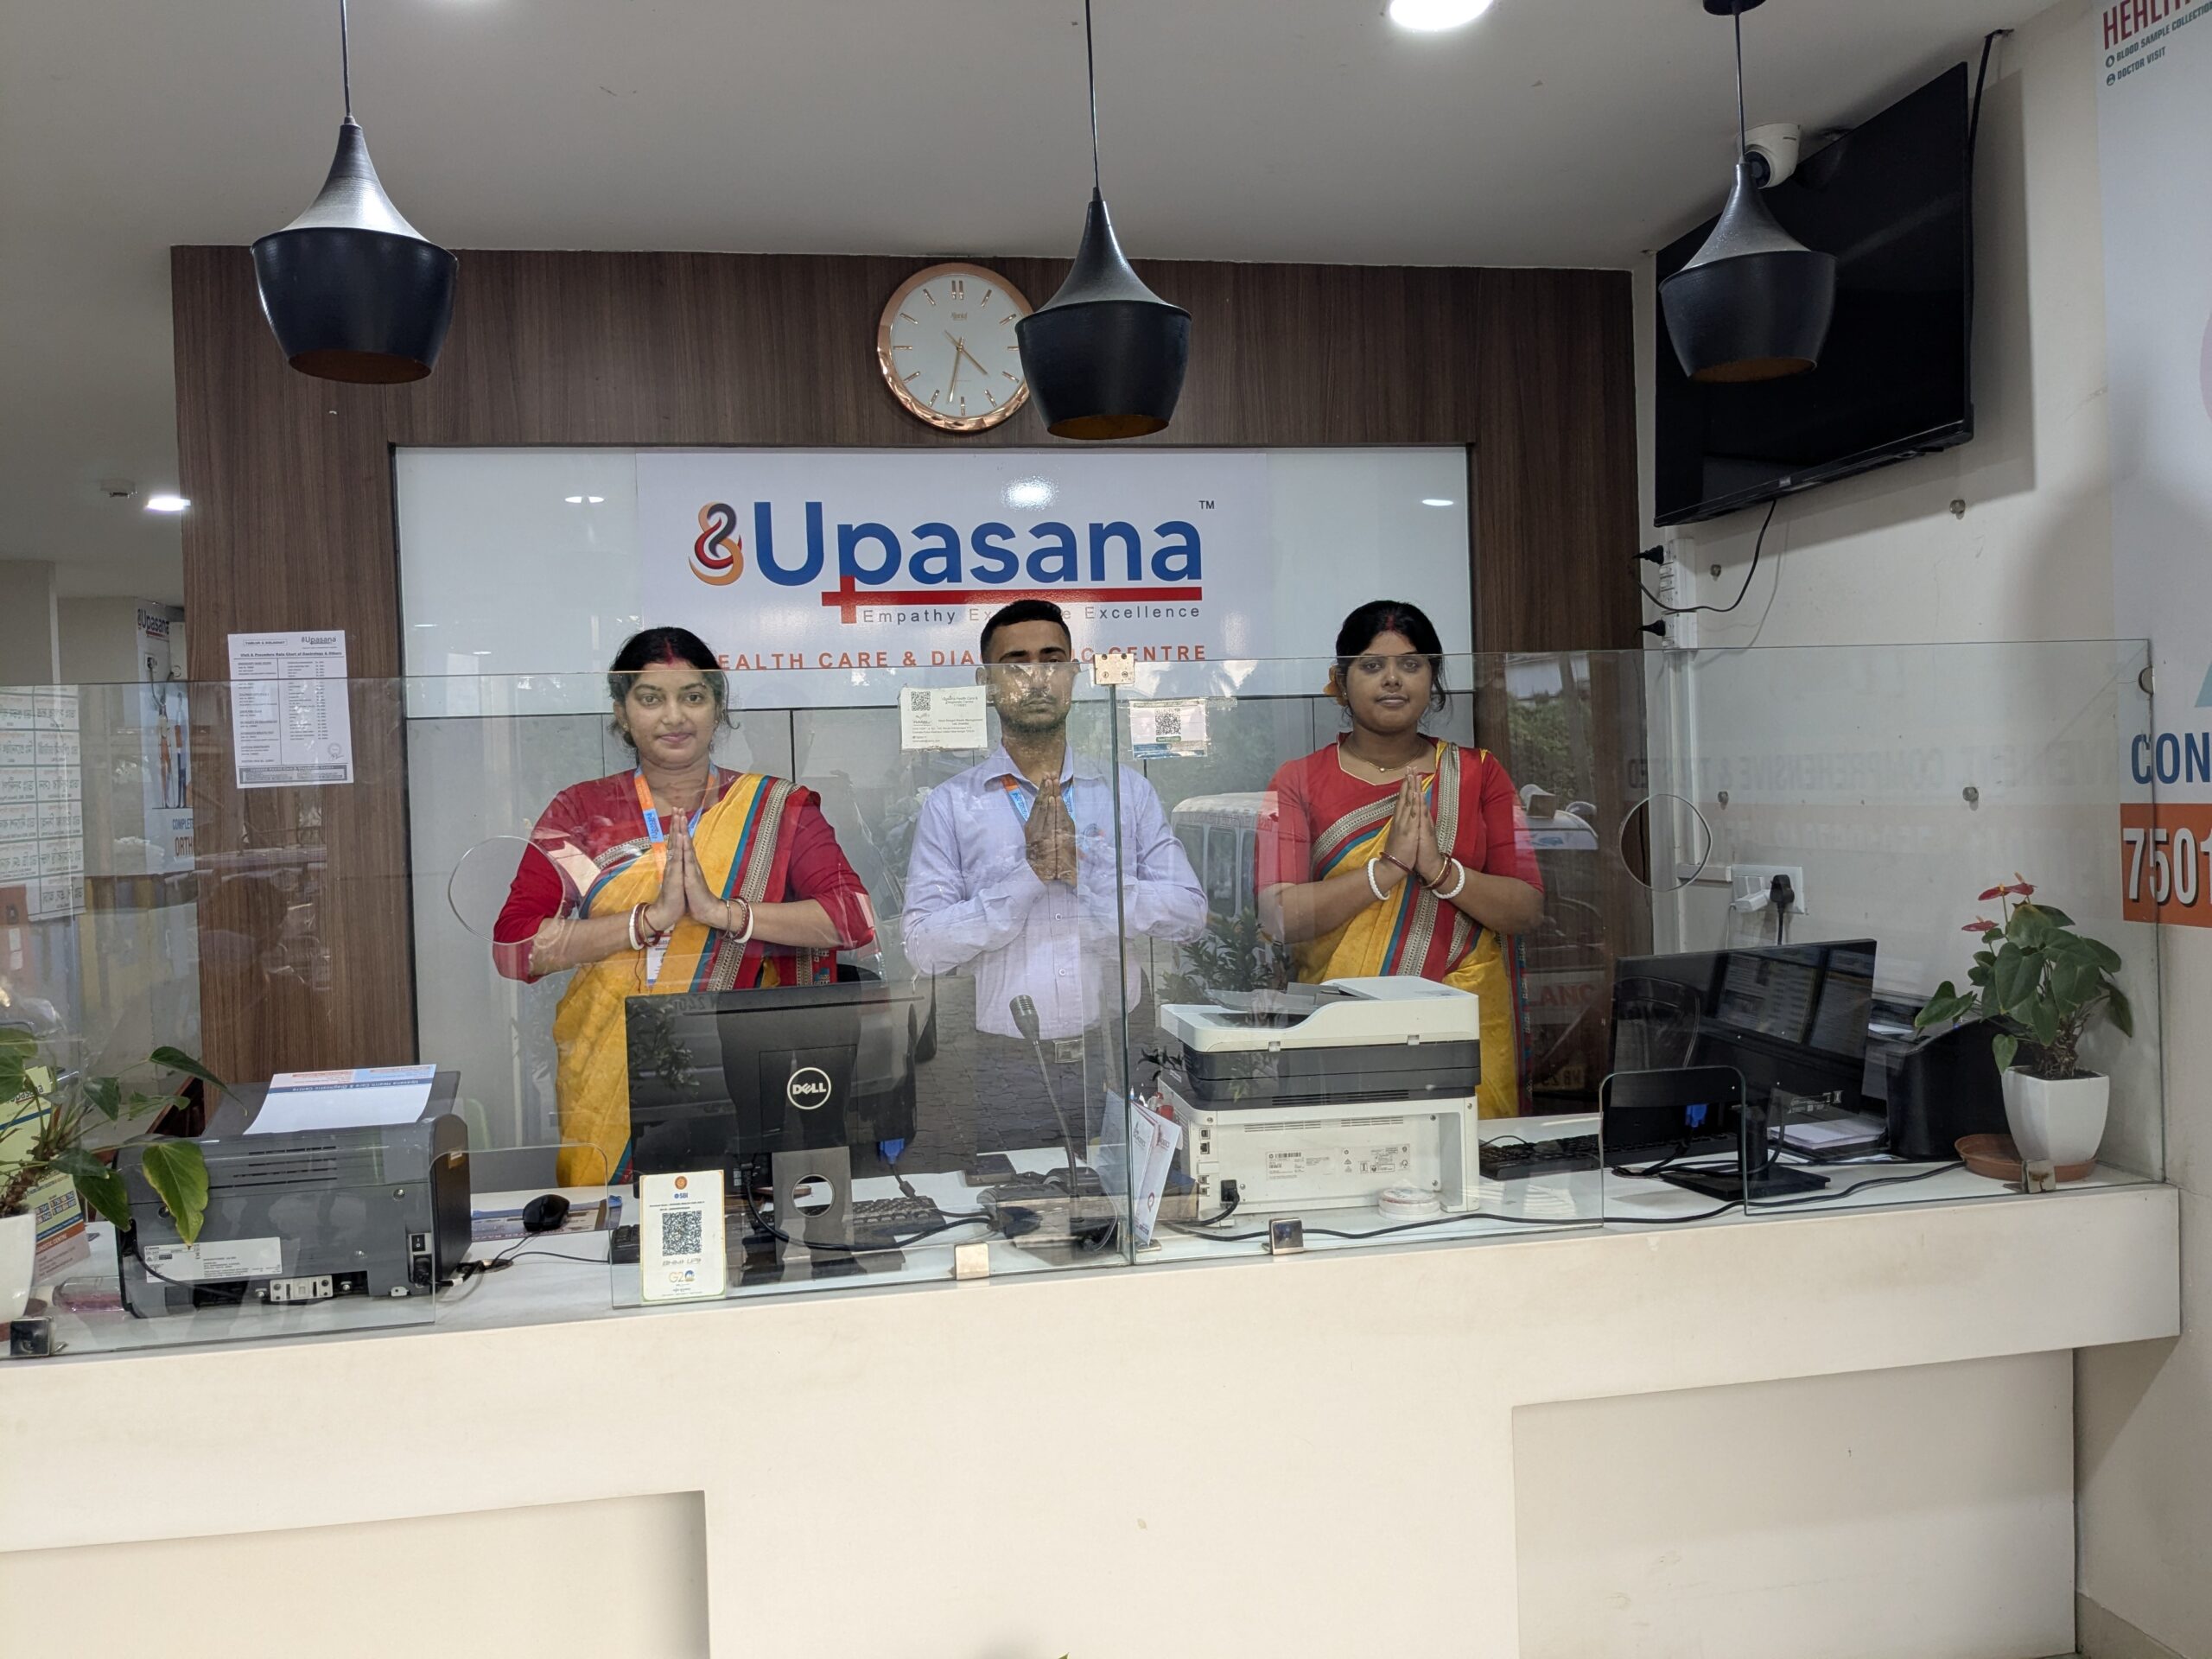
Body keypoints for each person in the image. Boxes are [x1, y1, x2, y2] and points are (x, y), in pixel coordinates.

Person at [494, 627, 874, 1184]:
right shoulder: (582, 813)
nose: (674, 716)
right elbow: (514, 949)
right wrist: (644, 921)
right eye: (651, 698)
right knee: (624, 1229)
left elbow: (854, 918)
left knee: (749, 1214)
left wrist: (725, 914)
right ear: (622, 713)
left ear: (718, 709)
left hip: (744, 1068)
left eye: (693, 697)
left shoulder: (778, 809)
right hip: (613, 1071)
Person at [901, 600, 1205, 1154]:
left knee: (1131, 1196)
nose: (1036, 677)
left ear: (1073, 675)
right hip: (1009, 1061)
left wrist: (1087, 874)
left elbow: (1189, 915)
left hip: (1118, 1046)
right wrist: (1028, 876)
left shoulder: (1125, 791)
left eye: (1052, 659)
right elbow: (923, 948)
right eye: (1015, 663)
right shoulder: (953, 804)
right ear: (985, 683)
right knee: (1021, 1198)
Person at [1257, 600, 1544, 1119]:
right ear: (1340, 682)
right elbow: (1278, 916)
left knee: (1473, 1161)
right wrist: (1386, 869)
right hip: (1344, 1029)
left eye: (1411, 664)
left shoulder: (1479, 774)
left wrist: (1440, 871)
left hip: (1463, 1031)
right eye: (1372, 665)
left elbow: (1525, 908)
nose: (1392, 679)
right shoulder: (1298, 781)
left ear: (1433, 679)